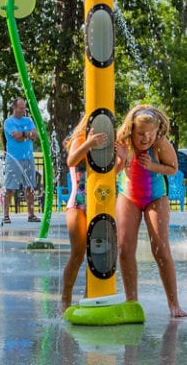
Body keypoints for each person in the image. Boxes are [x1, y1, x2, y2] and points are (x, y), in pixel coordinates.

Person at [115, 104, 187, 318]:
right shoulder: (124, 143)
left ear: (157, 132)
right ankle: (132, 301)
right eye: (140, 133)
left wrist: (153, 166)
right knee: (124, 248)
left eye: (150, 134)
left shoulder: (161, 145)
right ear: (131, 130)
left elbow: (173, 168)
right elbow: (113, 173)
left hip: (156, 197)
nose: (145, 138)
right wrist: (121, 159)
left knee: (161, 248)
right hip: (128, 195)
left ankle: (174, 304)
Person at [61, 116, 109, 311]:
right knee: (78, 253)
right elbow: (71, 160)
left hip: (99, 202)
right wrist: (89, 143)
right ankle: (66, 298)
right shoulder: (80, 139)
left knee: (96, 253)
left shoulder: (106, 140)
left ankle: (90, 295)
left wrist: (121, 157)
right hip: (77, 203)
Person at [2, 97, 40, 224]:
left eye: (24, 108)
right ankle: (6, 215)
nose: (23, 111)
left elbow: (35, 135)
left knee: (30, 187)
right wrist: (27, 134)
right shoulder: (9, 122)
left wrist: (24, 134)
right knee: (10, 187)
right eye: (20, 108)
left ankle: (31, 214)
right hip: (13, 159)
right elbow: (16, 136)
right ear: (14, 108)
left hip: (28, 158)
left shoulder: (28, 120)